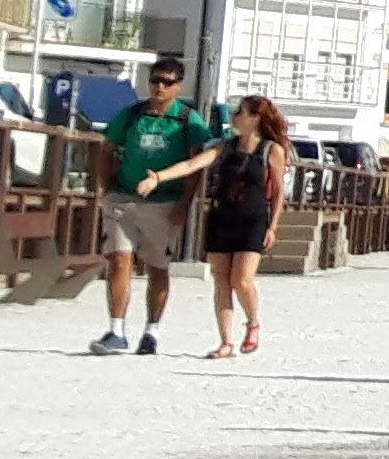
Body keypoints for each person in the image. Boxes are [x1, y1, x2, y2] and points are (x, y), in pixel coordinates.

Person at [92, 56, 219, 355]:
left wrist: (184, 205)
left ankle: (151, 331)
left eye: (167, 82)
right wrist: (105, 188)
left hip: (164, 202)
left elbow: (194, 166)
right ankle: (116, 330)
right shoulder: (132, 114)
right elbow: (107, 148)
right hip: (123, 197)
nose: (159, 87)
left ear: (178, 86)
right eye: (155, 80)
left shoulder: (188, 121)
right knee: (119, 259)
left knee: (157, 266)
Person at [184, 95, 291, 358]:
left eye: (240, 112)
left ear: (255, 118)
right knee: (221, 281)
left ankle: (253, 323)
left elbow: (278, 192)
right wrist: (161, 176)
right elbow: (194, 164)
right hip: (222, 216)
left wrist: (272, 226)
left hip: (253, 219)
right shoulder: (225, 147)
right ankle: (226, 341)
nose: (234, 116)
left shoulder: (270, 150)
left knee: (241, 279)